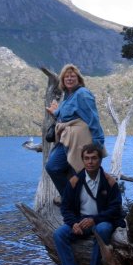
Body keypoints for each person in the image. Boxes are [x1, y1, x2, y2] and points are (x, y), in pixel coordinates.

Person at [53, 144, 126, 265]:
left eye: (94, 158)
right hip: (80, 220)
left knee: (102, 229)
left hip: (102, 220)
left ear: (100, 160)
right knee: (59, 234)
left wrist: (94, 220)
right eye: (86, 158)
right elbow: (66, 207)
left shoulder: (109, 182)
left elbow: (115, 208)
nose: (90, 162)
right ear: (83, 160)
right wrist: (73, 223)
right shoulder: (74, 181)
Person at [45, 64, 106, 198]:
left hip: (80, 141)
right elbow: (67, 115)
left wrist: (97, 143)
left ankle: (86, 205)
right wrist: (55, 112)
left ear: (78, 79)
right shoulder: (67, 95)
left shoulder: (83, 94)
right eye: (66, 76)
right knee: (53, 167)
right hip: (67, 140)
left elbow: (93, 118)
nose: (69, 79)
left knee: (81, 174)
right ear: (62, 80)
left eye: (73, 76)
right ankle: (71, 198)